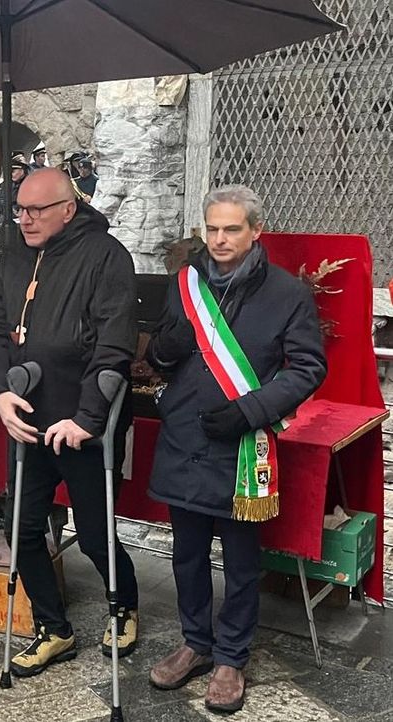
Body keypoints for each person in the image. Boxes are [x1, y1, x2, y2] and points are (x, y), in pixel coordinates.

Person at [146, 185, 327, 713]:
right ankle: (195, 643)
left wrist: (251, 412)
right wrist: (165, 350)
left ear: (255, 231)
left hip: (242, 445)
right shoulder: (185, 284)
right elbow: (159, 355)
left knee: (242, 561)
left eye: (232, 229)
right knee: (186, 554)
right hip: (185, 435)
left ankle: (230, 656)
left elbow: (308, 368)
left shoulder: (287, 294)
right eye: (212, 229)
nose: (220, 239)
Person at [0, 168, 140, 677]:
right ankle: (54, 628)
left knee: (94, 534)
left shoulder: (106, 256)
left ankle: (124, 605)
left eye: (36, 210)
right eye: (19, 210)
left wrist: (86, 419)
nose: (25, 219)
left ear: (68, 209)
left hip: (83, 424)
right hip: (28, 417)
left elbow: (114, 347)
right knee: (21, 528)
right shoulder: (13, 256)